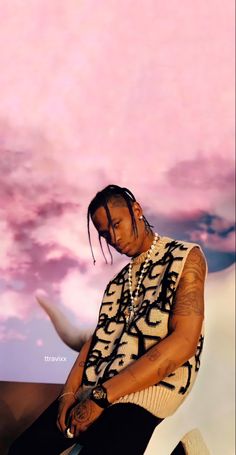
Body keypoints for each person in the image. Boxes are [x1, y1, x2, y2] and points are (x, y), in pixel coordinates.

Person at [8, 184, 207, 455]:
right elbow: (96, 341)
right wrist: (68, 395)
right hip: (98, 388)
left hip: (148, 390)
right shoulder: (116, 283)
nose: (113, 237)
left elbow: (184, 342)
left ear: (136, 210)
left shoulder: (186, 257)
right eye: (104, 233)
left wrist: (102, 398)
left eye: (117, 224)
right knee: (23, 450)